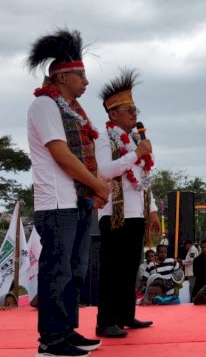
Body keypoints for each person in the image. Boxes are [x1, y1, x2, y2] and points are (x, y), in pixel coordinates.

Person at [26, 29, 108, 357]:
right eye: (81, 75)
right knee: (57, 271)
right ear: (62, 77)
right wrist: (97, 183)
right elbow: (62, 154)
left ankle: (67, 330)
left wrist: (94, 186)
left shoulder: (71, 109)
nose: (86, 82)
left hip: (74, 201)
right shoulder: (45, 106)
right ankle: (51, 340)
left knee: (74, 272)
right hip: (56, 202)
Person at [95, 69, 156, 338]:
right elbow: (103, 172)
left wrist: (152, 209)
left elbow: (144, 177)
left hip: (136, 213)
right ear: (113, 114)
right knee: (112, 270)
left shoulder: (134, 140)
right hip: (114, 214)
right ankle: (105, 320)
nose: (134, 114)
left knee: (131, 267)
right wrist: (135, 155)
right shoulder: (102, 138)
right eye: (128, 109)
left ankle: (126, 315)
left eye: (135, 109)